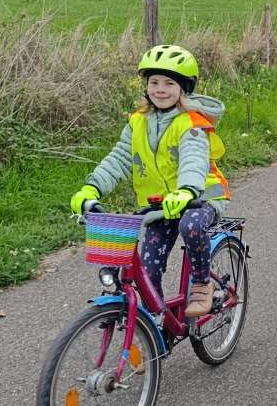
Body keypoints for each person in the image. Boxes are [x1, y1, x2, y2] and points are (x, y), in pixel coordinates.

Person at [70, 45, 230, 319]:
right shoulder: (138, 122)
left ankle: (203, 283)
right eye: (154, 82)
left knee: (191, 225)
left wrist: (187, 190)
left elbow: (194, 158)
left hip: (199, 198)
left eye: (169, 83)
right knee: (147, 268)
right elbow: (119, 158)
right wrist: (92, 187)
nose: (160, 89)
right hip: (160, 205)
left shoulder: (191, 123)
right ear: (145, 86)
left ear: (184, 89)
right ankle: (153, 325)